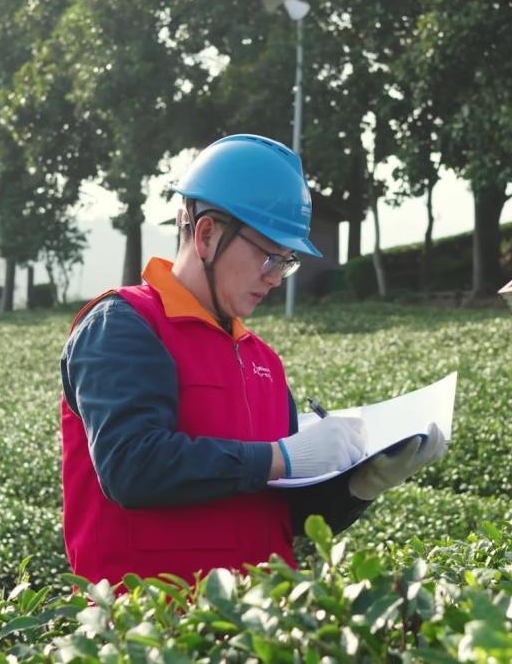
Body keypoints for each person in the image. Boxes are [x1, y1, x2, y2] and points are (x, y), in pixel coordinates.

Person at [60, 134, 447, 588]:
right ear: (206, 235)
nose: (275, 278)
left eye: (286, 262)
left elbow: (279, 514)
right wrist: (281, 456)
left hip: (259, 629)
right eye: (267, 255)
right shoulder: (122, 326)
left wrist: (362, 485)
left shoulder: (264, 361)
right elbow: (130, 466)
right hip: (150, 633)